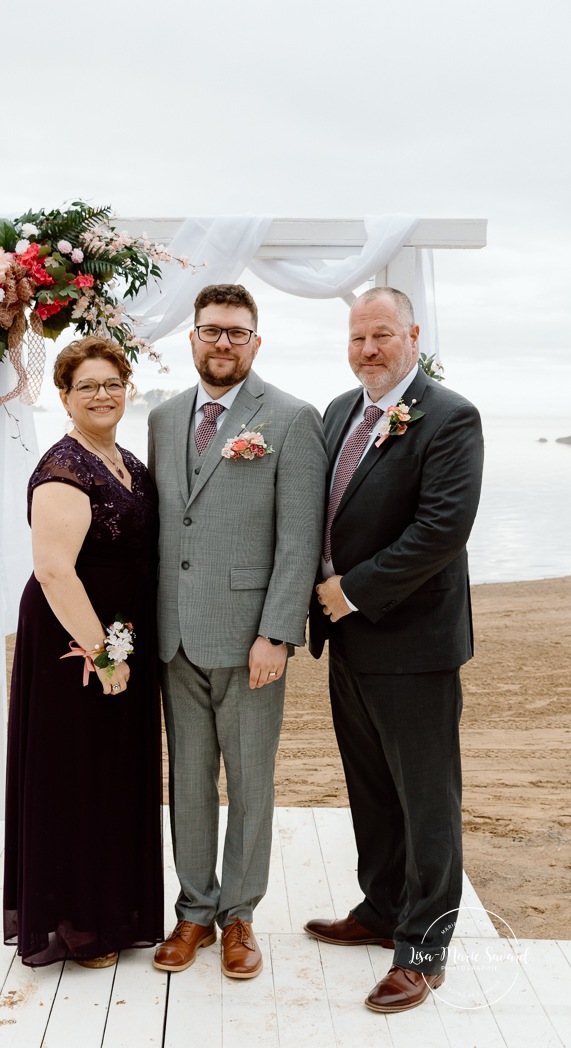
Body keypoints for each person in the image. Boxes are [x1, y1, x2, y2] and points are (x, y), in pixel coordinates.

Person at [305, 287, 484, 1012]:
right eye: (357, 338)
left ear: (412, 335)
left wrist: (350, 591)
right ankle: (381, 910)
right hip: (347, 640)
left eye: (381, 335)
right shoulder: (338, 412)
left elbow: (442, 528)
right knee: (372, 789)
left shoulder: (449, 416)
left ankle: (424, 949)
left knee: (426, 800)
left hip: (413, 642)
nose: (368, 350)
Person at [148, 284, 326, 979]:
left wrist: (277, 632)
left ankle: (240, 915)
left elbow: (299, 538)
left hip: (251, 637)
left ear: (256, 341)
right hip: (174, 636)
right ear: (191, 337)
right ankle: (194, 911)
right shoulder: (163, 419)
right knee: (188, 782)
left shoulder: (291, 417)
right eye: (211, 330)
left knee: (250, 782)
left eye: (237, 332)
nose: (223, 343)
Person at [3, 335, 163, 967]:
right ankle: (75, 924)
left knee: (112, 771)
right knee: (75, 773)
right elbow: (53, 570)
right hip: (74, 641)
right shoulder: (63, 468)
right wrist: (103, 654)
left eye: (112, 383)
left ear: (127, 389)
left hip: (123, 636)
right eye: (87, 386)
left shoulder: (128, 462)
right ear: (65, 397)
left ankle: (113, 910)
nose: (102, 395)